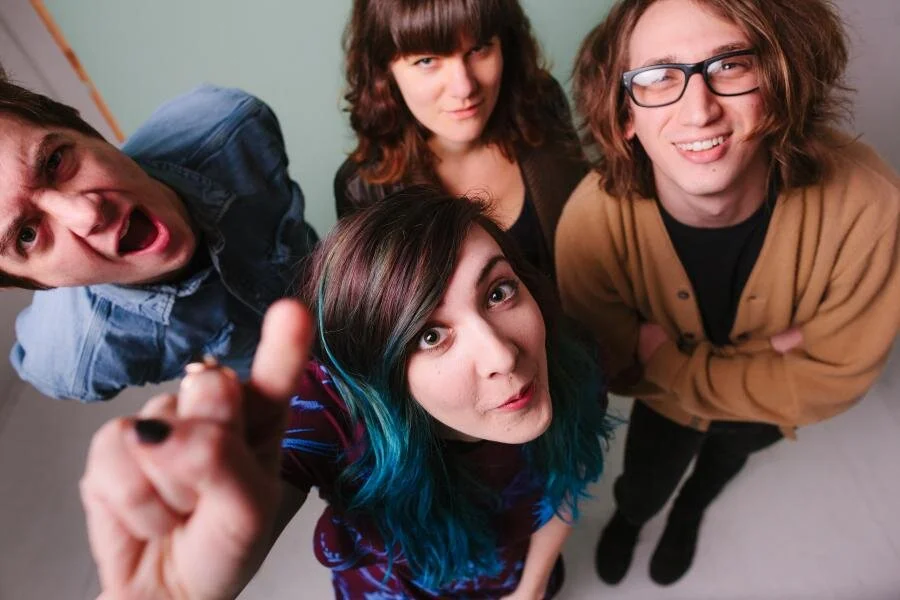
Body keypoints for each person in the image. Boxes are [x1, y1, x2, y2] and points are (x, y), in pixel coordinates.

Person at [79, 189, 615, 598]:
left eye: (498, 292)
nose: (503, 357)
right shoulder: (330, 409)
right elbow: (275, 470)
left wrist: (529, 591)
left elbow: (565, 485)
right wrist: (175, 589)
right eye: (431, 336)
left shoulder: (568, 359)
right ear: (375, 372)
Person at [557, 0, 900, 587]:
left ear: (780, 85)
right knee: (643, 483)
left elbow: (833, 379)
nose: (699, 111)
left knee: (722, 463)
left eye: (731, 65)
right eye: (658, 76)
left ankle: (689, 512)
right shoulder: (591, 221)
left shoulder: (871, 206)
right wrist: (776, 356)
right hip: (681, 404)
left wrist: (666, 360)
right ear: (624, 115)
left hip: (728, 404)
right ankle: (632, 518)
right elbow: (609, 364)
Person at [1, 80, 318, 401]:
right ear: (37, 282)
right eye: (26, 236)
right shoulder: (74, 360)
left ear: (86, 131)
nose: (89, 214)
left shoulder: (232, 125)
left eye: (54, 161)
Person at [334, 0, 588, 278]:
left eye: (478, 48)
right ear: (384, 70)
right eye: (427, 61)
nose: (464, 87)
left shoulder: (542, 103)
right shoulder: (361, 190)